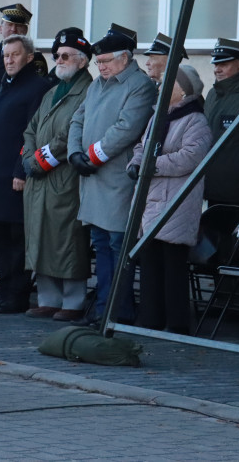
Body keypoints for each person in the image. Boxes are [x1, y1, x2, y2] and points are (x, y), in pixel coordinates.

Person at [68, 23, 156, 324]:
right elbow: (76, 120)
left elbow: (126, 129)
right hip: (94, 181)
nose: (100, 66)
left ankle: (117, 311)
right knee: (102, 247)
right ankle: (104, 307)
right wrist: (74, 154)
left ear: (125, 58)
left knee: (119, 249)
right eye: (99, 62)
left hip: (116, 180)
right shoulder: (96, 85)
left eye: (105, 61)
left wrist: (91, 157)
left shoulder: (140, 86)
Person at [127, 64, 212, 333]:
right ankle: (151, 319)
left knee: (173, 265)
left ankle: (176, 324)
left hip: (178, 201)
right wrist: (136, 163)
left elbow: (191, 157)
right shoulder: (158, 117)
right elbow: (142, 145)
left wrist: (152, 165)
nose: (160, 87)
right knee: (150, 263)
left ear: (182, 89)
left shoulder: (196, 120)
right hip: (151, 200)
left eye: (166, 83)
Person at [21, 28, 94, 321]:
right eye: (57, 56)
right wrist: (28, 157)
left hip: (63, 178)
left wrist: (39, 162)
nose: (59, 60)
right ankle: (48, 298)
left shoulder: (87, 91)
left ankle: (72, 302)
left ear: (82, 60)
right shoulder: (52, 92)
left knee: (67, 241)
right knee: (41, 239)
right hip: (39, 182)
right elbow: (31, 129)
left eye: (65, 56)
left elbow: (69, 135)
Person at [0, 35, 52, 313]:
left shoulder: (38, 88)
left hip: (15, 178)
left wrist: (21, 170)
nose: (8, 60)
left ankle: (16, 295)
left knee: (16, 241)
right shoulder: (6, 85)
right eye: (5, 55)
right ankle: (2, 292)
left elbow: (31, 134)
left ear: (29, 57)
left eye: (15, 55)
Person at [204, 38, 239, 232]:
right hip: (213, 186)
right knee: (214, 248)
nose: (217, 69)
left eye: (224, 64)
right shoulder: (213, 94)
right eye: (216, 64)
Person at [0, 4, 48, 97]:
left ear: (25, 31)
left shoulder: (33, 58)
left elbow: (35, 92)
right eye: (9, 25)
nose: (13, 29)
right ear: (1, 29)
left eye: (18, 26)